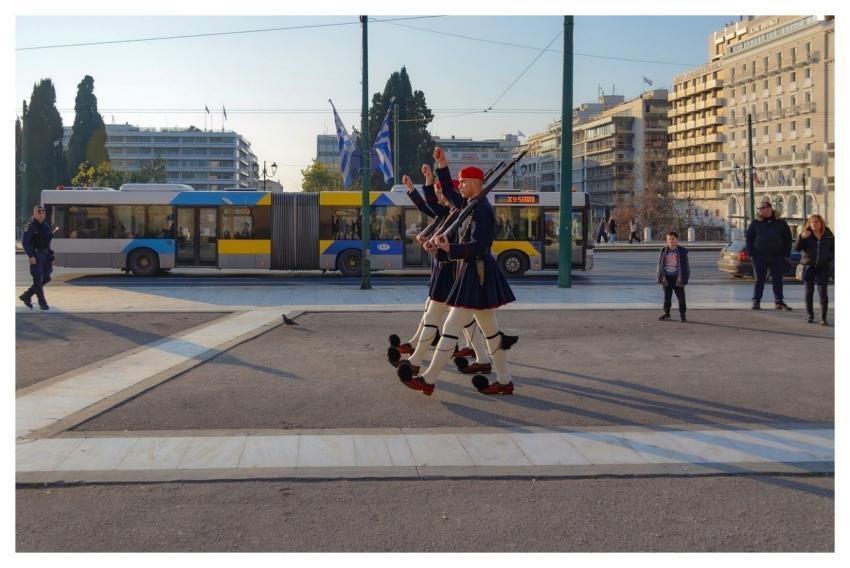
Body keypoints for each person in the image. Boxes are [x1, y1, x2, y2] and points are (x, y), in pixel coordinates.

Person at [397, 148, 517, 396]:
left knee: (451, 327)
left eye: (463, 182)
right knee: (492, 334)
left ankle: (428, 380)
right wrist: (442, 166)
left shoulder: (482, 209)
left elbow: (480, 247)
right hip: (472, 274)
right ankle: (504, 380)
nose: (458, 186)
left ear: (474, 183)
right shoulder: (471, 204)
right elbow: (447, 195)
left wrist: (449, 248)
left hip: (478, 275)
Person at [389, 161, 491, 376]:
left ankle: (416, 357)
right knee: (465, 320)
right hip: (446, 272)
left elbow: (464, 243)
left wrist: (438, 248)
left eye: (442, 193)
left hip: (451, 273)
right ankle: (482, 358)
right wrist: (418, 187)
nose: (440, 198)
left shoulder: (458, 211)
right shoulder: (451, 213)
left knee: (437, 317)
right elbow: (429, 208)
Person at [745, 198, 793, 310]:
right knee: (759, 279)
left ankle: (779, 301)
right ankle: (756, 301)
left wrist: (786, 254)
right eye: (759, 208)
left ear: (769, 208)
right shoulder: (755, 223)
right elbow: (749, 238)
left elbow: (788, 239)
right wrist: (751, 253)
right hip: (759, 256)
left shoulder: (781, 223)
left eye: (762, 208)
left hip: (777, 256)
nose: (760, 210)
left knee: (778, 279)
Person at [795, 214, 834, 325]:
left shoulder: (828, 235)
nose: (814, 224)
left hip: (823, 267)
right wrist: (801, 237)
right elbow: (797, 248)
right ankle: (810, 315)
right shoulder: (806, 234)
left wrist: (829, 258)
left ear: (821, 223)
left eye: (816, 222)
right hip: (809, 267)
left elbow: (834, 249)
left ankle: (823, 318)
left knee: (823, 292)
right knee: (809, 291)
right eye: (811, 222)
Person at [19, 205, 55, 310]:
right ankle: (42, 303)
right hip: (36, 255)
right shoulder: (30, 226)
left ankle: (26, 295)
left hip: (45, 255)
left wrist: (51, 257)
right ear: (34, 214)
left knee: (47, 277)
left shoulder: (46, 226)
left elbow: (47, 243)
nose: (42, 214)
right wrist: (31, 255)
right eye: (39, 212)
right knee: (38, 279)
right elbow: (25, 242)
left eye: (43, 212)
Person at [656, 231, 689, 322]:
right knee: (667, 298)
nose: (671, 241)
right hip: (667, 278)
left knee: (681, 298)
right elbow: (660, 265)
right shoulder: (663, 251)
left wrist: (685, 278)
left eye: (673, 239)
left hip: (678, 278)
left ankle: (682, 314)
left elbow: (686, 266)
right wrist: (659, 276)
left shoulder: (681, 251)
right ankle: (667, 314)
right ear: (667, 240)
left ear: (677, 240)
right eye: (669, 239)